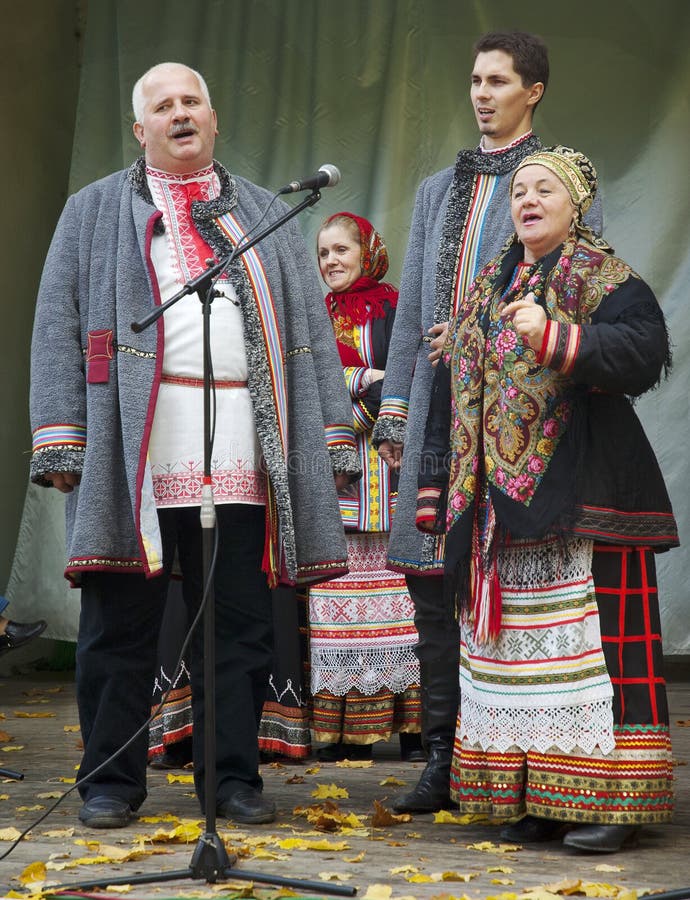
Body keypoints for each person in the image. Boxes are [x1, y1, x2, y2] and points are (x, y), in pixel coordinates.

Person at [29, 62, 361, 829]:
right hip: (131, 447)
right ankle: (110, 782)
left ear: (213, 121)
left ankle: (232, 781)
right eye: (162, 106)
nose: (180, 114)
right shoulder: (92, 210)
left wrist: (329, 441)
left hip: (245, 440)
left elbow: (310, 333)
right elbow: (56, 329)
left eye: (192, 102)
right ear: (138, 130)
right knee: (121, 623)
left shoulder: (263, 213)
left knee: (239, 624)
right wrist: (60, 440)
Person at [417, 145, 677, 853]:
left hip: (583, 497)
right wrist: (437, 489)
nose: (527, 200)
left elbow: (646, 350)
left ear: (575, 205)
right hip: (502, 509)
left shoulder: (602, 275)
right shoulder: (486, 288)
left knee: (592, 657)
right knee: (521, 662)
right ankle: (538, 795)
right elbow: (454, 386)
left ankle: (609, 803)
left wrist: (559, 337)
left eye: (544, 190)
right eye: (519, 191)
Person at [372, 30, 604, 814]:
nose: (481, 93)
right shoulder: (440, 189)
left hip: (513, 417)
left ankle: (507, 759)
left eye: (497, 81)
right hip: (439, 411)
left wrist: (484, 335)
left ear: (532, 91)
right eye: (474, 79)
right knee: (430, 579)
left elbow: (574, 285)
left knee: (500, 581)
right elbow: (411, 315)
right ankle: (441, 756)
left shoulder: (549, 179)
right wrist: (398, 412)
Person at [309, 213, 423, 763]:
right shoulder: (313, 319)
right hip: (334, 481)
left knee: (399, 604)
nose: (331, 261)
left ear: (367, 251)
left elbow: (409, 380)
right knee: (335, 603)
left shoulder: (395, 309)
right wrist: (362, 385)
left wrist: (364, 395)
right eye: (323, 252)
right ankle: (340, 733)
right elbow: (309, 388)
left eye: (340, 250)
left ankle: (412, 732)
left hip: (389, 472)